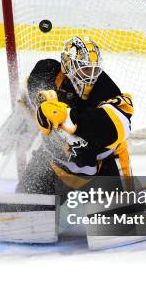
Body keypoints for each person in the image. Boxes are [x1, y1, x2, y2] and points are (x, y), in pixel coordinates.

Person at [17, 36, 134, 194]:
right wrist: (35, 112)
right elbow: (30, 93)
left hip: (102, 163)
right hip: (51, 159)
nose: (92, 75)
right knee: (22, 200)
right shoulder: (48, 71)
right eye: (86, 69)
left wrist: (66, 117)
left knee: (121, 211)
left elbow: (112, 130)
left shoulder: (106, 88)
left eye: (95, 69)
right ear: (68, 65)